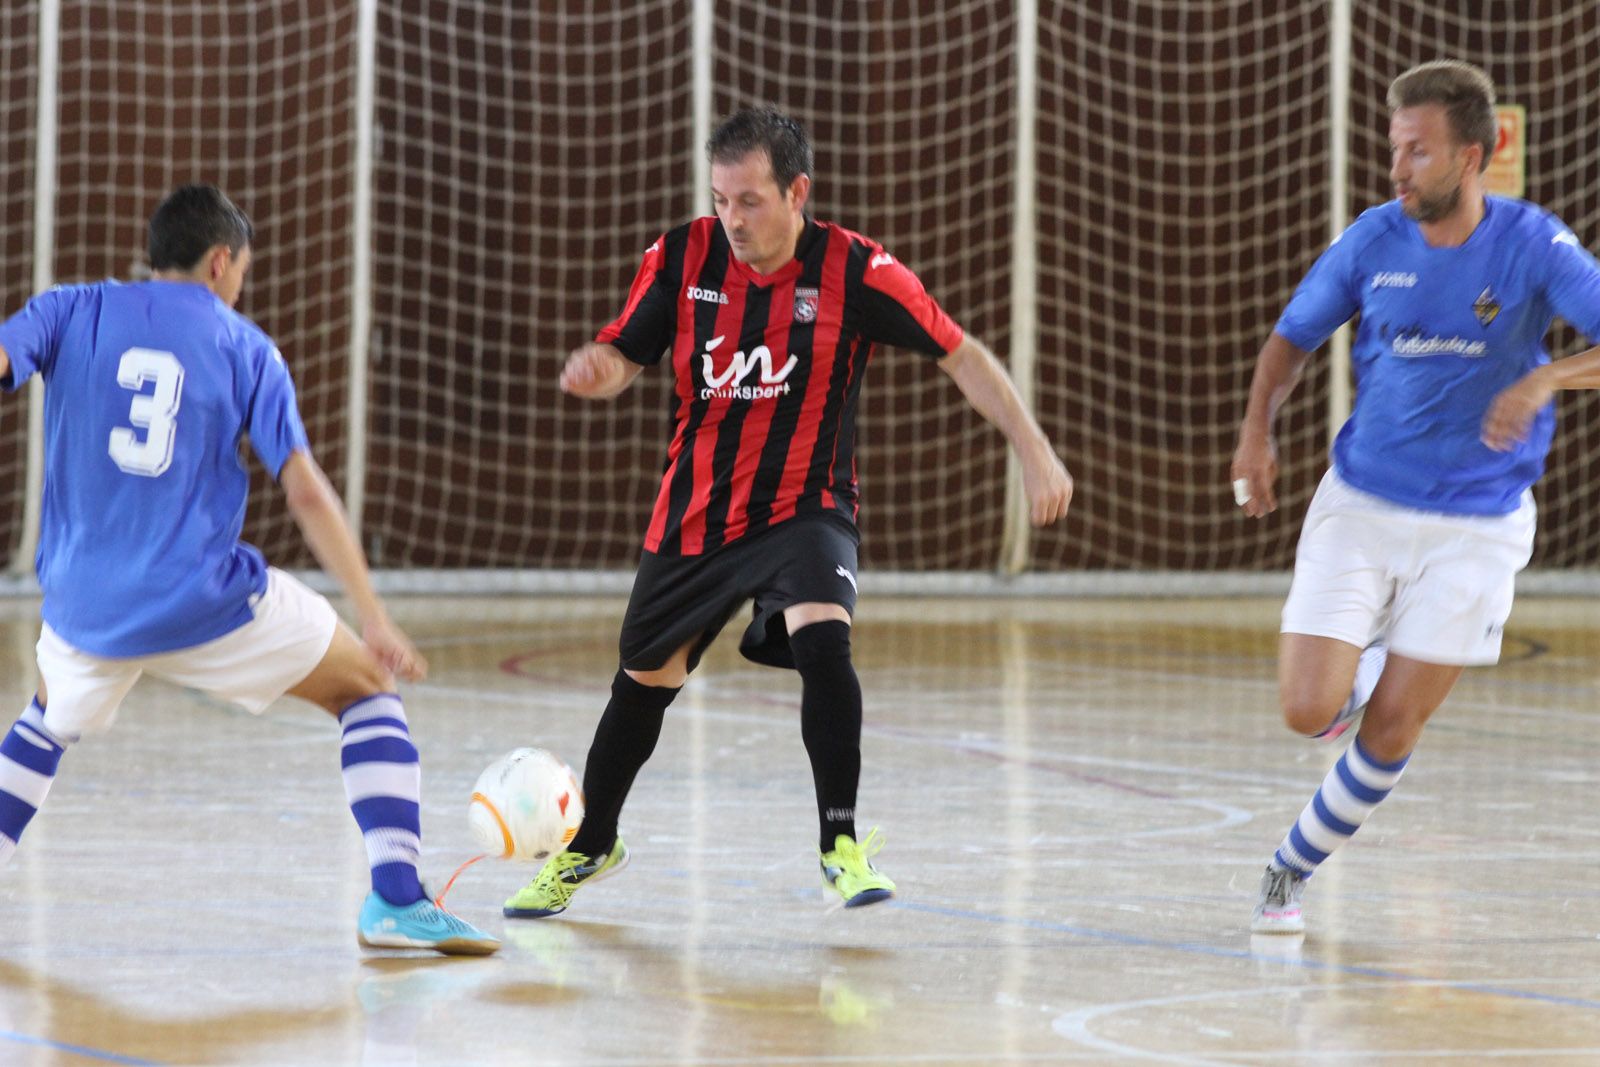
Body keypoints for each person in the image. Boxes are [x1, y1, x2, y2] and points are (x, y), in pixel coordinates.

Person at [504, 107, 1073, 918]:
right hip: (697, 511)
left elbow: (962, 354)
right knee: (642, 683)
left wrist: (1033, 447)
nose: (730, 220)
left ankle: (839, 842)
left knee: (822, 634)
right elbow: (628, 350)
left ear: (797, 191)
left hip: (808, 504)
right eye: (720, 199)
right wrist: (606, 369)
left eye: (750, 201)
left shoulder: (857, 271)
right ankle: (591, 845)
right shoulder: (681, 255)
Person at [0, 185, 497, 955]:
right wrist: (373, 614)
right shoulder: (245, 347)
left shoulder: (69, 307)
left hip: (82, 603)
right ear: (220, 261)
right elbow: (303, 488)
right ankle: (396, 897)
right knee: (365, 684)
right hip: (202, 600)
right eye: (241, 272)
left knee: (46, 716)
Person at [1231, 61, 1600, 934]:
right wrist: (1257, 431)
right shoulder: (1370, 240)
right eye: (1394, 148)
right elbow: (1290, 342)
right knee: (1306, 709)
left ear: (1473, 156)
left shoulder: (1534, 246)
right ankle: (1363, 657)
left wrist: (1548, 376)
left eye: (1418, 151)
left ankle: (1290, 868)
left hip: (1477, 525)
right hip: (1362, 503)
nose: (1398, 169)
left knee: (1393, 725)